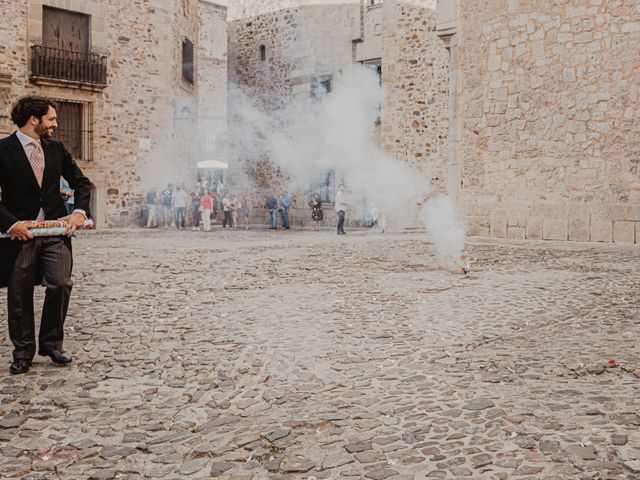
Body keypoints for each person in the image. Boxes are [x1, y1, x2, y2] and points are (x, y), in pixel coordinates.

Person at [0, 95, 91, 375]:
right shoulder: (2, 150)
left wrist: (79, 213)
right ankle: (22, 352)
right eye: (51, 118)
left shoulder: (56, 148)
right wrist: (10, 224)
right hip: (20, 234)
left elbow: (81, 182)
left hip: (55, 231)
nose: (56, 124)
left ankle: (51, 344)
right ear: (33, 120)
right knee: (19, 294)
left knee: (61, 282)